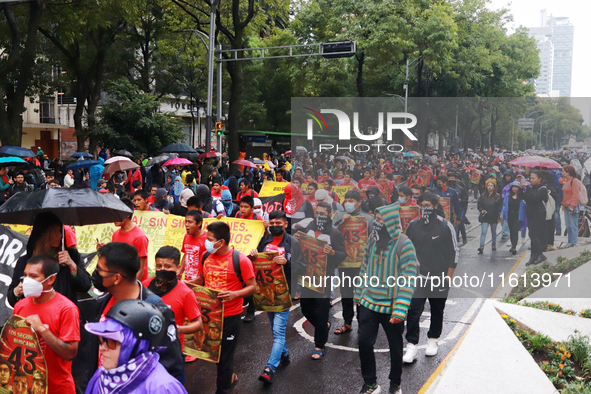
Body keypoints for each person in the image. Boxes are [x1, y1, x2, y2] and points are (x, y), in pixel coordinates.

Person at [74, 242, 185, 389]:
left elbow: (172, 366)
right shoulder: (101, 303)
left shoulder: (156, 313)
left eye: (100, 270)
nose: (96, 274)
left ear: (116, 278)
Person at [354, 203, 418, 394]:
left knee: (395, 348)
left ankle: (394, 384)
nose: (377, 223)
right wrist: (359, 294)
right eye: (376, 219)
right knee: (364, 343)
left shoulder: (404, 244)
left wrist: (400, 309)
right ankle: (371, 383)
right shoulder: (373, 240)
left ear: (391, 222)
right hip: (368, 303)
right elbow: (365, 268)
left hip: (391, 308)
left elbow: (409, 278)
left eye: (381, 220)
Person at [195, 221, 256, 394]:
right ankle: (230, 377)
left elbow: (253, 287)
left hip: (230, 316)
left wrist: (235, 294)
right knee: (213, 354)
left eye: (209, 239)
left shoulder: (240, 260)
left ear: (221, 242)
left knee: (225, 357)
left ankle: (223, 389)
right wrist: (185, 284)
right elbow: (201, 280)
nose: (206, 242)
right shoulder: (206, 256)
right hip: (209, 315)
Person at [84, 299, 188, 394]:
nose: (103, 348)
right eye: (102, 340)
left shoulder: (162, 388)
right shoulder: (102, 375)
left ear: (136, 346)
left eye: (112, 342)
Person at [404, 192, 459, 363]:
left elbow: (454, 252)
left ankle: (433, 340)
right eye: (422, 205)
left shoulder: (445, 226)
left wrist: (448, 277)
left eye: (427, 205)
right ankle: (411, 345)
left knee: (437, 310)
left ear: (435, 206)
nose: (424, 208)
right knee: (414, 311)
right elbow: (406, 249)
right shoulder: (413, 225)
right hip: (418, 277)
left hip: (440, 276)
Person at [249, 210, 303, 384]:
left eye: (278, 223)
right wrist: (253, 256)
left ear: (286, 224)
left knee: (279, 332)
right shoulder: (263, 240)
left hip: (283, 292)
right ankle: (285, 355)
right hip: (264, 291)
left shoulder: (293, 242)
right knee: (274, 329)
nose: (274, 226)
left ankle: (270, 368)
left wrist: (287, 263)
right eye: (271, 223)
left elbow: (303, 267)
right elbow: (253, 261)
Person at [14, 254, 80, 394]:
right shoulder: (20, 306)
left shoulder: (67, 309)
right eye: (25, 275)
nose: (27, 281)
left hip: (58, 389)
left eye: (33, 276)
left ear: (51, 279)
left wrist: (42, 330)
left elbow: (70, 353)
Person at [294, 202, 346, 360]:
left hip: (325, 277)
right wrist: (296, 238)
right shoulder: (309, 226)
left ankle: (319, 345)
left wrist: (332, 253)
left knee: (322, 310)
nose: (319, 216)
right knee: (305, 307)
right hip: (308, 275)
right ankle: (323, 327)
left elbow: (343, 254)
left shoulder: (335, 232)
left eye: (323, 214)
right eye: (317, 213)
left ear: (329, 215)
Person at [8, 212, 92, 308]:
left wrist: (72, 265)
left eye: (61, 231)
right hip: (35, 317)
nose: (60, 235)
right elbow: (12, 299)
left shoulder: (71, 255)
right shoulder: (25, 261)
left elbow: (85, 286)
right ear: (44, 233)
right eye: (54, 231)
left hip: (65, 315)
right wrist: (17, 291)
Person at [143, 246, 203, 363]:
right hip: (146, 350)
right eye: (159, 266)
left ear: (178, 268)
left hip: (171, 353)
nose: (162, 269)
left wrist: (177, 329)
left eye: (168, 266)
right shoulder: (144, 286)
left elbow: (198, 324)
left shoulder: (186, 293)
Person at [332, 190, 373, 336]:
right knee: (346, 294)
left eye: (351, 200)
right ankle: (347, 323)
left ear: (359, 202)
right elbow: (331, 233)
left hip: (361, 264)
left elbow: (373, 240)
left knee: (361, 295)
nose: (348, 203)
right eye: (346, 199)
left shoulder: (368, 219)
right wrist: (341, 220)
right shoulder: (338, 216)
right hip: (345, 263)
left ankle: (363, 325)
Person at [97, 198, 150, 281]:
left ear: (127, 214)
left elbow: (141, 270)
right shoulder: (115, 234)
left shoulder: (140, 237)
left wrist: (132, 290)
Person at [520, 170, 549, 266]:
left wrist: (528, 187)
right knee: (531, 235)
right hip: (530, 213)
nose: (531, 180)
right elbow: (524, 198)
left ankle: (540, 254)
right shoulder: (532, 187)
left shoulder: (543, 189)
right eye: (530, 178)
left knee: (534, 235)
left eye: (533, 178)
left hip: (539, 214)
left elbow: (535, 198)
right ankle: (533, 255)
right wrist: (521, 189)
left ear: (539, 179)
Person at [180, 210, 207, 282]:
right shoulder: (186, 236)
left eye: (190, 222)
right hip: (187, 280)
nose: (186, 224)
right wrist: (180, 271)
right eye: (186, 221)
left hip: (200, 283)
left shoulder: (208, 239)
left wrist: (189, 283)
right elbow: (186, 254)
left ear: (199, 223)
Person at [477, 180, 502, 254]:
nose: (490, 187)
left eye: (491, 186)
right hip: (485, 217)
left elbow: (499, 207)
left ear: (494, 187)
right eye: (488, 185)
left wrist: (498, 217)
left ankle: (493, 244)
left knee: (493, 232)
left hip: (494, 216)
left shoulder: (497, 196)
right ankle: (481, 246)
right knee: (483, 232)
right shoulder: (483, 195)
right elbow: (479, 205)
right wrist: (481, 210)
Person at [501, 181, 526, 255]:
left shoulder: (522, 197)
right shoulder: (508, 196)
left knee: (515, 231)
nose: (514, 189)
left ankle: (514, 246)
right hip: (510, 216)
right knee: (511, 231)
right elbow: (504, 206)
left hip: (518, 216)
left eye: (516, 187)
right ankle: (512, 245)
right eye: (513, 187)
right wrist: (502, 213)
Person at [561, 165, 581, 247]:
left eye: (563, 171)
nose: (562, 173)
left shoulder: (574, 181)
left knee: (573, 226)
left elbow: (575, 195)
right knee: (568, 226)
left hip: (572, 206)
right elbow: (565, 194)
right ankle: (569, 241)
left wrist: (572, 206)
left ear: (568, 172)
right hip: (566, 206)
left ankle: (573, 242)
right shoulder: (567, 181)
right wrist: (563, 204)